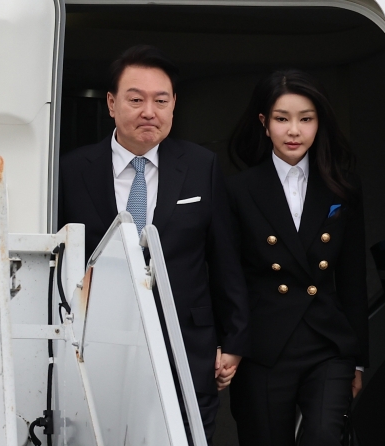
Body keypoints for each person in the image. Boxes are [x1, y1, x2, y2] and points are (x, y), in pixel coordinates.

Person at [58, 44, 249, 442]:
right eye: (136, 99)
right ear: (111, 104)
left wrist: (233, 341)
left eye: (161, 100)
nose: (150, 111)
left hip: (187, 346)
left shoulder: (200, 165)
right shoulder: (73, 169)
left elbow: (224, 256)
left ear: (174, 105)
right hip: (99, 343)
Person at [226, 69, 369, 446]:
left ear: (319, 122)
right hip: (264, 346)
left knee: (324, 436)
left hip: (328, 344)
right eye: (282, 119)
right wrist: (231, 343)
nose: (294, 130)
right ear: (264, 122)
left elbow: (353, 278)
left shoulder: (342, 185)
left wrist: (357, 359)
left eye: (306, 119)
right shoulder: (238, 189)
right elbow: (229, 275)